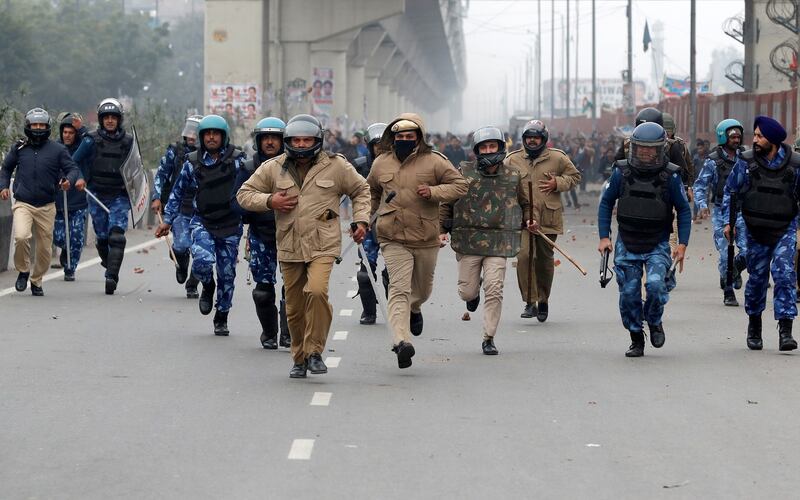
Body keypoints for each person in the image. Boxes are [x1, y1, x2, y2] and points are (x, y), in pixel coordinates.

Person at [237, 114, 370, 378]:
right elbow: (244, 194)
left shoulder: (336, 166)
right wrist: (269, 200)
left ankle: (315, 352)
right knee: (295, 308)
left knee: (318, 292)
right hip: (289, 244)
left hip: (323, 243)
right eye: (295, 140)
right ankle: (299, 357)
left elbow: (361, 190)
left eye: (306, 139)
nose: (300, 144)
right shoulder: (274, 167)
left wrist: (361, 219)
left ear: (317, 140)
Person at [367, 113, 468, 369]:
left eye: (409, 137)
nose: (403, 140)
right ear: (392, 137)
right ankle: (401, 342)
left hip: (425, 237)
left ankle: (416, 308)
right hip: (392, 236)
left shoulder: (435, 161)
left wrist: (434, 192)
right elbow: (371, 192)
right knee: (399, 289)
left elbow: (460, 185)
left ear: (419, 138)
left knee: (422, 290)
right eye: (399, 136)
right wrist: (366, 219)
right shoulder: (381, 163)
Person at [598, 122, 691, 357]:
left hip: (657, 241)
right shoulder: (621, 172)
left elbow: (684, 210)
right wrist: (603, 237)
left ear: (660, 150)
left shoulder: (670, 176)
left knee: (656, 286)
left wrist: (682, 244)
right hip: (627, 240)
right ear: (634, 149)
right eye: (641, 149)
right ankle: (636, 337)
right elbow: (606, 203)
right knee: (629, 293)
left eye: (651, 149)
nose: (646, 153)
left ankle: (654, 319)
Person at [440, 126, 535, 355]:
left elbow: (526, 203)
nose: (489, 150)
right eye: (484, 147)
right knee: (467, 293)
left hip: (499, 241)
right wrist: (442, 228)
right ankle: (473, 295)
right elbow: (447, 202)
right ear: (477, 150)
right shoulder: (462, 173)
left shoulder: (513, 176)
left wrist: (531, 219)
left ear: (501, 148)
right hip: (469, 241)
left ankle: (488, 337)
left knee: (495, 288)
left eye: (493, 146)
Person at [155, 115, 246, 336]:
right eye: (207, 134)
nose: (211, 137)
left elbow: (254, 188)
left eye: (216, 133)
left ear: (223, 136)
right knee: (202, 262)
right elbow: (176, 193)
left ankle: (222, 316)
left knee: (227, 275)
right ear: (202, 137)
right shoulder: (192, 162)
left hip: (230, 224)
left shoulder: (238, 161)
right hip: (203, 221)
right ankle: (207, 286)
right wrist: (167, 220)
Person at [722, 116, 799, 352]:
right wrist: (729, 222)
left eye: (759, 136)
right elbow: (731, 191)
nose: (754, 140)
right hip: (755, 230)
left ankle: (785, 330)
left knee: (785, 275)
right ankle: (754, 324)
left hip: (784, 228)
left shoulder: (795, 165)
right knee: (757, 280)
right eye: (754, 135)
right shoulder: (746, 162)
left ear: (772, 140)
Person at [0, 108, 82, 296]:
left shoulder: (58, 150)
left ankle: (36, 280)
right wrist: (3, 186)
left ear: (48, 127)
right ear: (28, 126)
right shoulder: (19, 148)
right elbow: (5, 169)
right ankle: (23, 270)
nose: (38, 128)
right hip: (23, 203)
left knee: (45, 250)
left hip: (47, 206)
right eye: (34, 125)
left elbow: (72, 168)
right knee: (21, 236)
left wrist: (68, 179)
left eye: (42, 125)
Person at [506, 120, 581, 322]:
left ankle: (543, 299)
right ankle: (530, 301)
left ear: (543, 139)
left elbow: (574, 177)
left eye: (536, 138)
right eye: (528, 138)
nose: (532, 141)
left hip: (548, 218)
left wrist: (558, 182)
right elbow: (501, 181)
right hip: (522, 219)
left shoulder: (557, 158)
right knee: (524, 256)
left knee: (544, 262)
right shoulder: (512, 159)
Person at [236, 116, 291, 349]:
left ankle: (289, 333)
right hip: (261, 235)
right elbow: (236, 200)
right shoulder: (248, 168)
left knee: (294, 289)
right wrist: (261, 206)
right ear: (258, 141)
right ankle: (269, 332)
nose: (270, 142)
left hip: (291, 234)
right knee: (263, 291)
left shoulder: (296, 167)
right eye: (265, 138)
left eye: (275, 138)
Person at [72, 98, 134, 295]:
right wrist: (80, 178)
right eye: (106, 117)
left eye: (113, 117)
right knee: (103, 237)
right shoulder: (90, 140)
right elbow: (73, 162)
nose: (109, 121)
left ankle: (111, 276)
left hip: (119, 196)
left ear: (119, 119)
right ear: (100, 119)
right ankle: (108, 260)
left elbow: (137, 169)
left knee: (117, 236)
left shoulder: (129, 142)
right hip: (96, 193)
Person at [693, 118, 747, 306]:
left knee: (749, 251)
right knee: (725, 254)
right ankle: (728, 291)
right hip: (721, 211)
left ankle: (735, 270)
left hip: (744, 211)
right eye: (732, 136)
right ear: (724, 137)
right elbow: (700, 185)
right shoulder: (713, 161)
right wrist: (701, 204)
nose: (736, 139)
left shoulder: (747, 157)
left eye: (738, 136)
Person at [151, 115, 203, 298]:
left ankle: (193, 284)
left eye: (195, 132)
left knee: (202, 251)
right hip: (180, 206)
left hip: (203, 210)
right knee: (181, 245)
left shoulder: (211, 155)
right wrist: (156, 197)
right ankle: (180, 262)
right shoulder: (176, 151)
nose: (191, 136)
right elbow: (161, 174)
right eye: (189, 131)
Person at [356, 122, 389, 325]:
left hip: (393, 224)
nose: (380, 149)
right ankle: (369, 311)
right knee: (365, 273)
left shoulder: (401, 165)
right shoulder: (359, 165)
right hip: (367, 224)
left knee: (394, 272)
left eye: (383, 145)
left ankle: (394, 309)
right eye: (376, 145)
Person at [53, 113, 89, 281]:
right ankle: (65, 250)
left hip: (79, 202)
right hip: (58, 202)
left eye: (71, 132)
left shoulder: (83, 147)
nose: (67, 136)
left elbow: (92, 139)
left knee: (76, 237)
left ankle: (70, 268)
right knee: (58, 237)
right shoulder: (54, 148)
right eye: (65, 132)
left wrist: (81, 129)